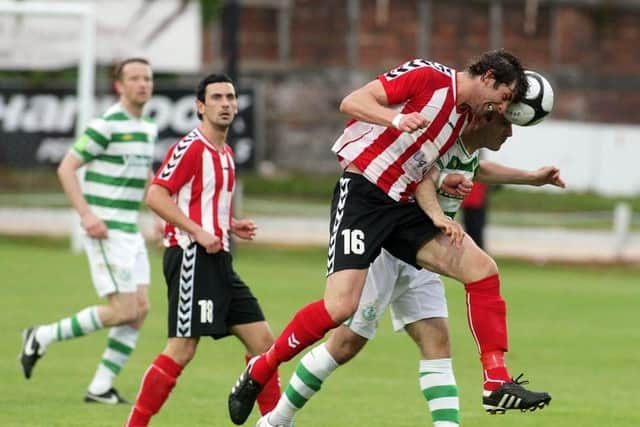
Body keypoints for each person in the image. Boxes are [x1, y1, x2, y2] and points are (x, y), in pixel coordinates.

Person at [228, 49, 551, 425]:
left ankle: (495, 381)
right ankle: (261, 369)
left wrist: (437, 216)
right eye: (505, 97)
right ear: (489, 78)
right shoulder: (430, 76)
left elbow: (422, 172)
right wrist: (395, 119)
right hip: (364, 194)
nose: (502, 107)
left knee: (482, 269)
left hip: (404, 209)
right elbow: (353, 101)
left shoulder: (463, 119)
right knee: (339, 309)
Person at [125, 73, 281, 426]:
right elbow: (155, 195)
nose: (225, 103)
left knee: (263, 343)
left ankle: (275, 422)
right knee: (182, 348)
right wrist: (197, 231)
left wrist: (230, 223)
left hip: (219, 259)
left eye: (230, 97)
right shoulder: (192, 146)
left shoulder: (225, 152)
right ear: (200, 106)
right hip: (191, 258)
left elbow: (201, 202)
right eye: (216, 98)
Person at [19, 58, 156, 404]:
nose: (142, 84)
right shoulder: (106, 124)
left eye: (147, 78)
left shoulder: (147, 127)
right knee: (124, 309)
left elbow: (146, 178)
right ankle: (41, 335)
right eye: (134, 78)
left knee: (140, 309)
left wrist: (162, 216)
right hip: (106, 229)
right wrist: (86, 216)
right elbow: (67, 168)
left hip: (131, 230)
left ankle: (100, 387)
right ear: (119, 86)